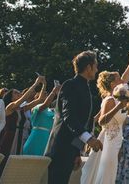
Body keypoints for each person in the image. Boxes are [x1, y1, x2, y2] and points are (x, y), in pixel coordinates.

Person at [81, 48, 129, 184]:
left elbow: (126, 77)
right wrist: (119, 107)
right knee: (106, 170)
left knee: (111, 170)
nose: (123, 81)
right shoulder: (110, 100)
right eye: (119, 79)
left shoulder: (118, 98)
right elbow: (102, 121)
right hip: (109, 139)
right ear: (113, 84)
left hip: (117, 139)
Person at [46, 51, 103, 184]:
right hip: (60, 148)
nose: (97, 69)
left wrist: (77, 151)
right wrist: (89, 139)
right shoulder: (70, 85)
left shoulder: (86, 87)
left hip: (70, 150)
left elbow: (83, 122)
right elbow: (69, 117)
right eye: (95, 65)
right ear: (88, 67)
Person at [0, 75, 46, 155]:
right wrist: (36, 83)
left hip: (22, 137)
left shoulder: (22, 108)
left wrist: (44, 84)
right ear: (10, 97)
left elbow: (40, 100)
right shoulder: (10, 107)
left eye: (19, 92)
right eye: (16, 93)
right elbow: (23, 99)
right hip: (11, 137)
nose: (19, 94)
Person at [23, 81, 62, 155]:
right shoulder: (36, 107)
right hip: (37, 136)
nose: (46, 95)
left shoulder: (51, 110)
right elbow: (44, 105)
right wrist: (53, 92)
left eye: (46, 94)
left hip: (48, 137)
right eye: (43, 94)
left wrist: (59, 94)